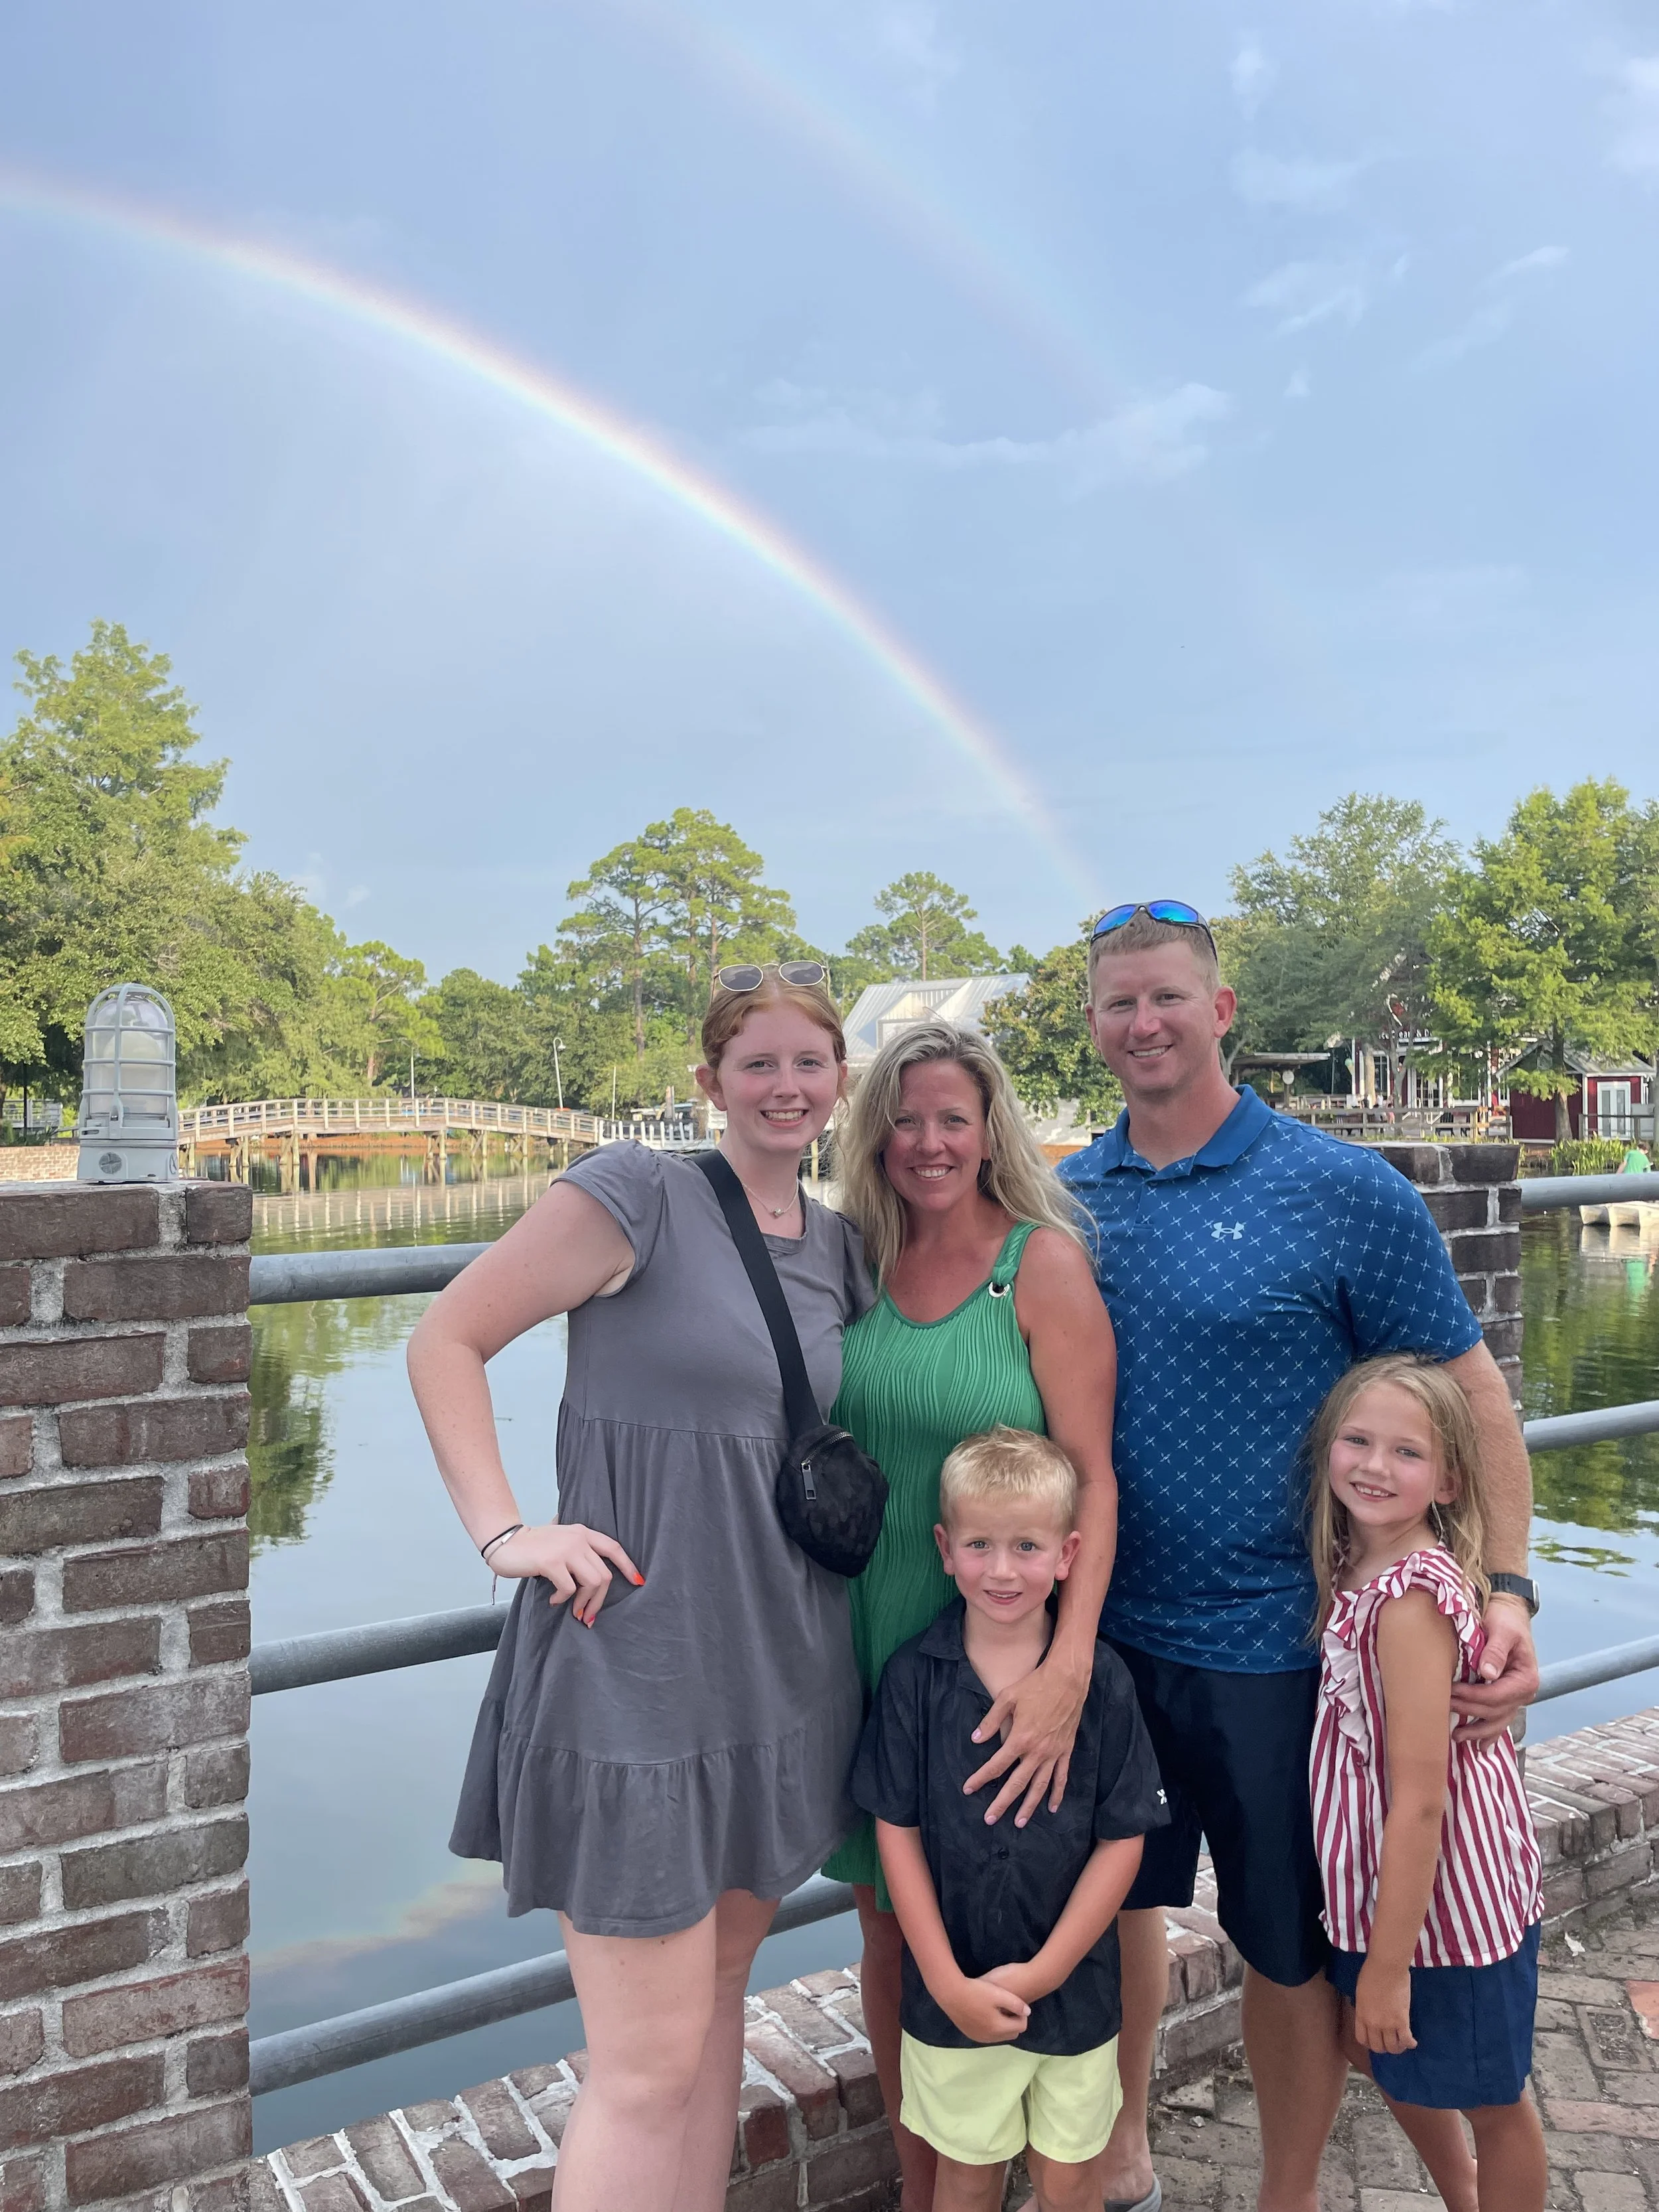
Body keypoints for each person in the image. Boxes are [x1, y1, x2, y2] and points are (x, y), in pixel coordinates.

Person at [1055, 903, 1540, 2212]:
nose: (1144, 1022)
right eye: (1118, 1002)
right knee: (1117, 1903)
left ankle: (1287, 2193)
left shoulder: (1341, 1190)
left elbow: (1471, 1396)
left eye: (1166, 995)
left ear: (1220, 1010)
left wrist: (1504, 1587)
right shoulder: (1067, 1198)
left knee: (1287, 1944)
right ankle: (1124, 2154)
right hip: (1106, 1637)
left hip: (1282, 1649)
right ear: (1093, 1025)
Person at [407, 963, 874, 2212]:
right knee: (643, 2069)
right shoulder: (639, 1193)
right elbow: (447, 1336)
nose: (785, 1086)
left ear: (841, 1079)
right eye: (758, 1063)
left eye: (809, 1062)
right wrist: (507, 1532)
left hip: (779, 1673)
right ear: (710, 1079)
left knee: (716, 2014)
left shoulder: (838, 1247)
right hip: (638, 1674)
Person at [825, 1020, 1120, 2208]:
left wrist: (1070, 1664)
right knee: (889, 1927)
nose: (930, 1142)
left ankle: (1044, 2164)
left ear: (991, 1128)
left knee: (1013, 1904)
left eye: (953, 1117)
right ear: (873, 1135)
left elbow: (1094, 1480)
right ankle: (927, 2184)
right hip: (866, 1641)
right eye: (904, 1119)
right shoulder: (853, 1260)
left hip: (1003, 1651)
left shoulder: (1040, 1265)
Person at [854, 1428, 1167, 2212]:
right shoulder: (911, 1680)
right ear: (944, 1549)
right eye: (979, 1545)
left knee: (1070, 2178)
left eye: (1026, 1546)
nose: (1001, 1570)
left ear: (1067, 1554)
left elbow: (1122, 1840)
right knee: (964, 2176)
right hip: (952, 1991)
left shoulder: (1102, 1685)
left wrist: (1048, 1970)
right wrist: (944, 1981)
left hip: (1076, 1990)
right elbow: (896, 1834)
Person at [1308, 1354, 1545, 2212]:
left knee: (1493, 2098)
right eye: (1358, 1441)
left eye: (1406, 1452)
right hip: (1383, 1891)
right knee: (1374, 2049)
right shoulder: (1353, 1563)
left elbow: (1419, 1800)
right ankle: (1464, 2195)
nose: (1375, 1466)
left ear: (1448, 1480)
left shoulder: (1410, 1598)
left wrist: (1388, 1966)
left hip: (1447, 1907)